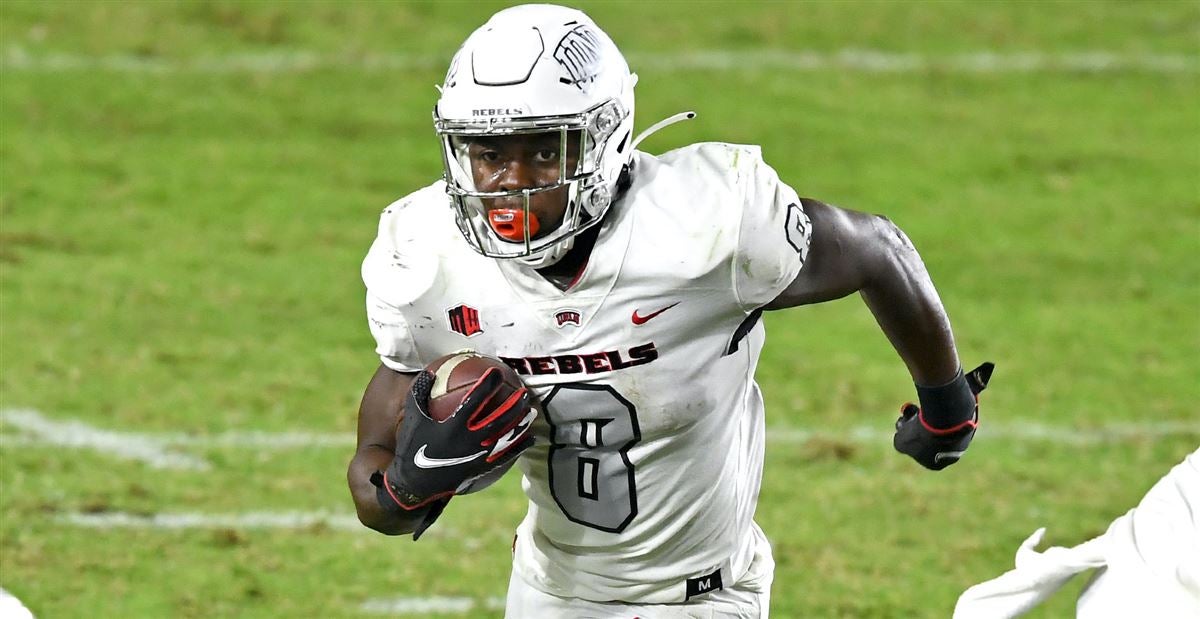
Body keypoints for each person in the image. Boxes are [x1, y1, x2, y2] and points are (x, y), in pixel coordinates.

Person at [347, 4, 992, 616]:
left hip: (705, 600)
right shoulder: (427, 255)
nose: (511, 182)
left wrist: (947, 408)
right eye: (490, 154)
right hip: (549, 595)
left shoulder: (709, 227)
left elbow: (879, 250)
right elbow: (372, 476)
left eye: (543, 151)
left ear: (604, 141)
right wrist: (408, 484)